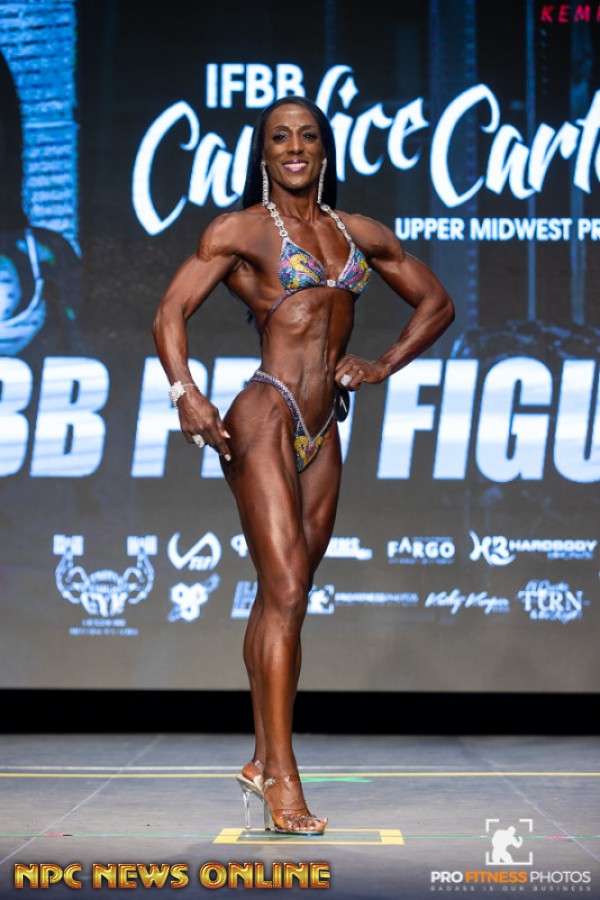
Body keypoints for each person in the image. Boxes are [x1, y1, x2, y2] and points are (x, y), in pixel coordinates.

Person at [152, 95, 455, 835]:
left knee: (284, 594)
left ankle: (261, 758)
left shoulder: (357, 233)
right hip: (266, 411)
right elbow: (169, 313)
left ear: (324, 150)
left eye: (307, 136)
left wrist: (383, 363)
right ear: (264, 154)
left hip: (323, 426)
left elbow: (437, 303)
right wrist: (186, 394)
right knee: (286, 588)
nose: (294, 147)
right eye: (280, 137)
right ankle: (283, 778)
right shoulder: (241, 230)